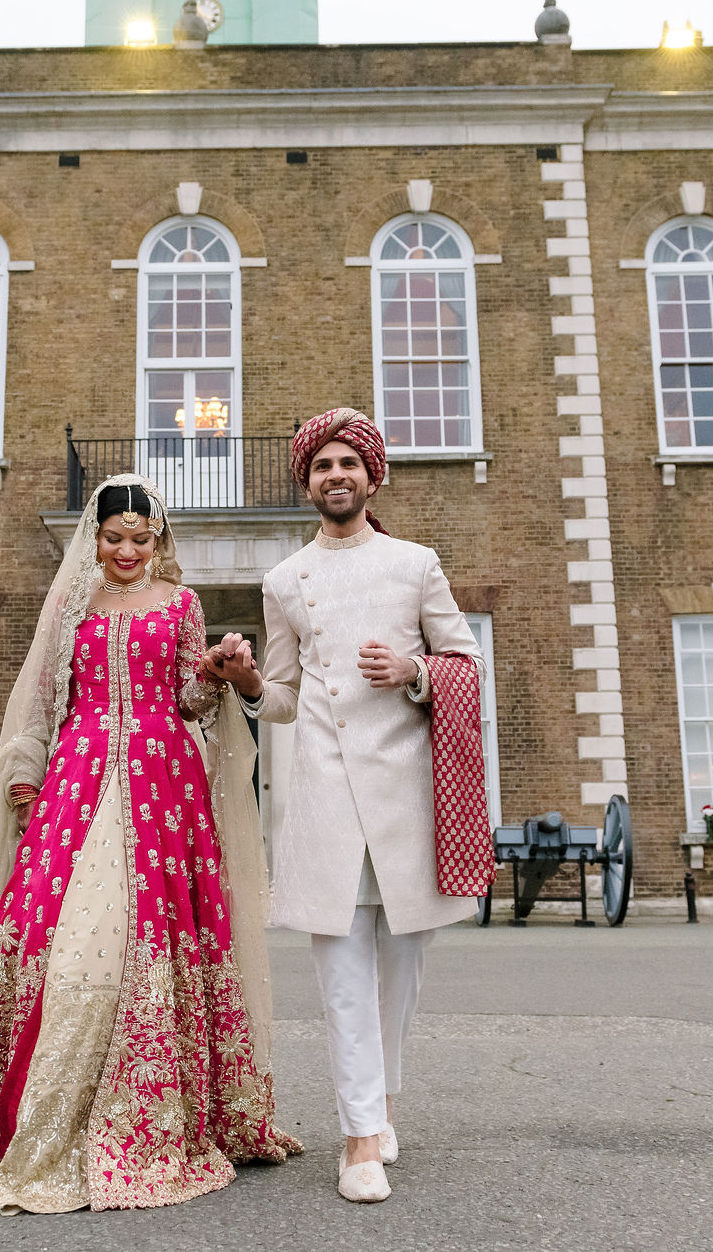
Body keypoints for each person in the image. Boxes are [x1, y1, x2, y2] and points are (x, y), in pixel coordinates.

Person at [0, 473, 301, 1214]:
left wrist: (214, 675)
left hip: (164, 786)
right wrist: (27, 774)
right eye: (114, 537)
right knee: (71, 936)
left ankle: (146, 1112)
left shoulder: (183, 605)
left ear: (157, 539)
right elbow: (43, 698)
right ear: (94, 541)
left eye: (141, 537)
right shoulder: (72, 605)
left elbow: (190, 703)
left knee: (141, 932)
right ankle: (39, 1115)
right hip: (78, 776)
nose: (128, 549)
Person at [203, 408, 483, 1204]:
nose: (335, 475)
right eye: (321, 464)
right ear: (307, 480)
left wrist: (414, 669)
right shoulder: (285, 580)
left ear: (372, 475)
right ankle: (359, 1134)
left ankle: (382, 1099)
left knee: (401, 967)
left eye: (347, 463)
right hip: (326, 796)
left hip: (406, 797)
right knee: (341, 975)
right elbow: (284, 697)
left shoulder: (415, 564)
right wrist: (248, 679)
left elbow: (466, 661)